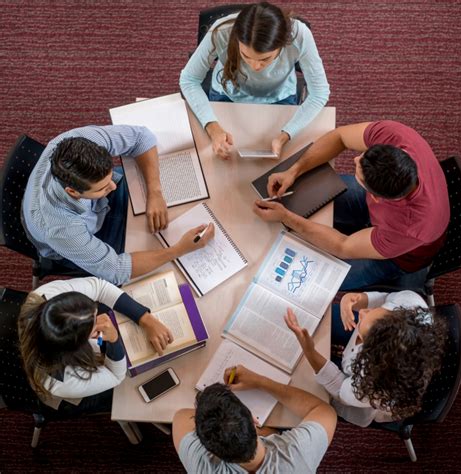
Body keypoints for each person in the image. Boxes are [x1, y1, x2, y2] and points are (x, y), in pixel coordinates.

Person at [253, 120, 450, 290]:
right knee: (305, 191)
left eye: (359, 172)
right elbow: (340, 137)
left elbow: (343, 246)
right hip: (387, 215)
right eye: (364, 154)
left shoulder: (410, 228)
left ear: (376, 197)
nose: (356, 158)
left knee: (311, 279)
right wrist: (293, 171)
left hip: (399, 256)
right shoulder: (397, 135)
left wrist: (286, 217)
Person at [22, 125, 214, 286]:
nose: (113, 186)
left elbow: (142, 137)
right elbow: (117, 270)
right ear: (72, 192)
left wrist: (154, 193)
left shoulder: (78, 141)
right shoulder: (60, 229)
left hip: (94, 206)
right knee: (159, 259)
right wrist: (179, 249)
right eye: (103, 187)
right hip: (83, 233)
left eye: (109, 178)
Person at [180, 2, 330, 160]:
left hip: (280, 96)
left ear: (283, 43)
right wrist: (213, 127)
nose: (255, 66)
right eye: (246, 56)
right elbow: (189, 79)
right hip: (227, 93)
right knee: (214, 158)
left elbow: (320, 93)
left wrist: (285, 135)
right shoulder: (221, 31)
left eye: (265, 59)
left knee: (280, 161)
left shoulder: (300, 35)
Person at [285, 290, 446, 427]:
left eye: (363, 318)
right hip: (359, 359)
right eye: (380, 311)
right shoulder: (411, 304)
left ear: (369, 352)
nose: (362, 312)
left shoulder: (371, 385)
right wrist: (356, 298)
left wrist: (310, 351)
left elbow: (340, 389)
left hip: (351, 390)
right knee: (316, 313)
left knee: (298, 380)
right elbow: (385, 298)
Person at [18, 276, 173, 414]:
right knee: (130, 393)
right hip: (75, 394)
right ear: (79, 345)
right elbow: (115, 375)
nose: (102, 317)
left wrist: (145, 318)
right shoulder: (63, 382)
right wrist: (113, 339)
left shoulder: (46, 294)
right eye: (94, 321)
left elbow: (100, 287)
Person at [173, 365, 336, 473]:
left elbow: (181, 417)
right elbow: (325, 412)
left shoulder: (201, 466)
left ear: (208, 449)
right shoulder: (298, 455)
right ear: (253, 420)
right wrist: (261, 382)